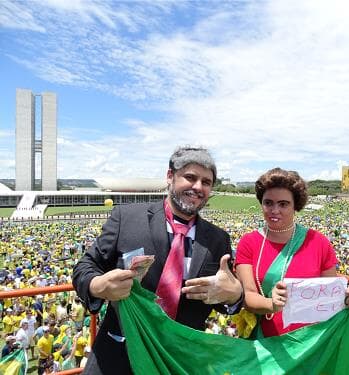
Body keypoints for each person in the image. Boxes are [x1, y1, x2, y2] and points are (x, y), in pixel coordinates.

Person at [72, 146, 244, 375]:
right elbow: (85, 266)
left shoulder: (218, 239)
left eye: (206, 182)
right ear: (170, 176)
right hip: (119, 356)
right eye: (190, 177)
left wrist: (234, 296)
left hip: (179, 361)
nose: (198, 187)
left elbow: (224, 297)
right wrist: (98, 285)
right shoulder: (127, 218)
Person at [235, 167, 349, 337]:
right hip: (264, 340)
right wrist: (271, 304)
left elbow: (330, 293)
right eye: (268, 203)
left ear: (296, 206)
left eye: (283, 204)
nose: (274, 210)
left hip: (310, 343)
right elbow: (248, 295)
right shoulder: (248, 242)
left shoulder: (318, 242)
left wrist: (347, 299)